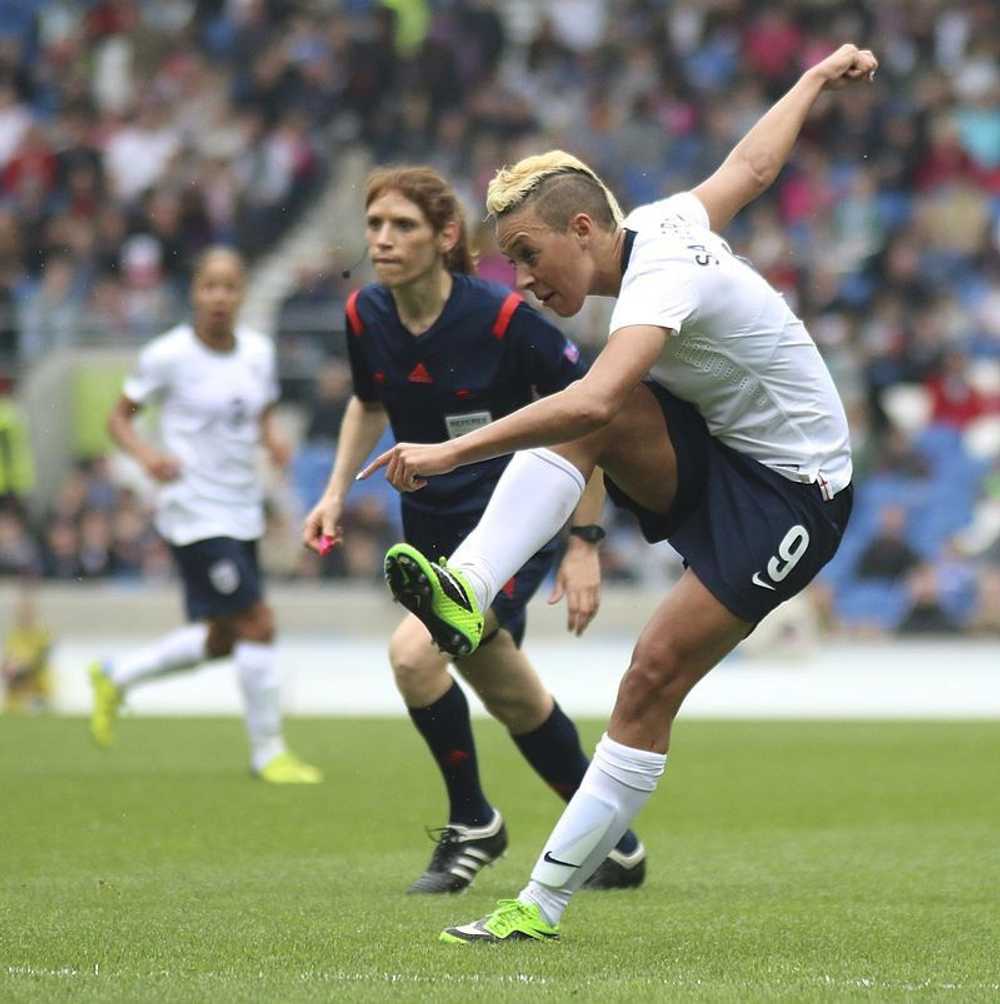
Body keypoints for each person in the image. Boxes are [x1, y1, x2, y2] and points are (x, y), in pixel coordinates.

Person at [361, 44, 877, 941]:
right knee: (596, 410)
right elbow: (753, 166)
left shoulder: (659, 273)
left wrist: (453, 454)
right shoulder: (666, 221)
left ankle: (542, 901)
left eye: (527, 254)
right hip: (721, 453)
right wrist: (811, 80)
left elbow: (595, 398)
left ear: (585, 232)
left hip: (797, 495)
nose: (521, 278)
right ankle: (467, 589)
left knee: (650, 677)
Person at [303, 166, 646, 893]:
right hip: (427, 530)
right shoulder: (365, 314)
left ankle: (473, 823)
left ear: (446, 236)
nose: (383, 240)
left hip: (507, 534)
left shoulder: (503, 320)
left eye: (402, 226)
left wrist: (583, 546)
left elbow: (590, 419)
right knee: (511, 693)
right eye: (374, 227)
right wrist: (333, 493)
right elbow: (368, 403)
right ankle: (611, 843)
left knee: (413, 658)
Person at [89, 247, 321, 784]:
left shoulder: (259, 352)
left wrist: (273, 439)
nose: (219, 297)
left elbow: (260, 410)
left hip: (241, 508)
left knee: (223, 638)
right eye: (209, 286)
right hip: (193, 511)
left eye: (229, 287)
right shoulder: (168, 355)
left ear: (241, 295)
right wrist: (148, 458)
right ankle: (269, 753)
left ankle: (116, 676)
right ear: (194, 293)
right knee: (258, 623)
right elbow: (119, 419)